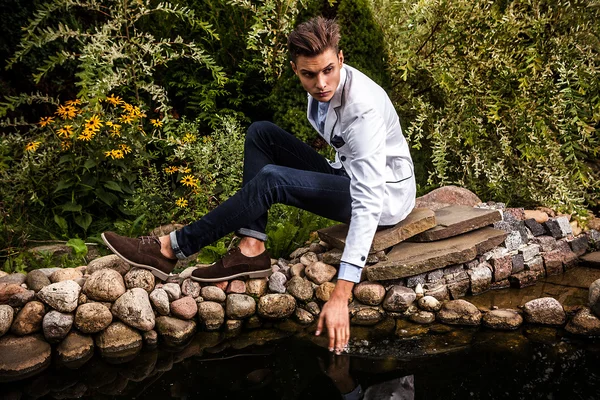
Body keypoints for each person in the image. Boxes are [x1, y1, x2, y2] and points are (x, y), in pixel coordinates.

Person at [101, 16, 416, 355]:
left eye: (328, 70)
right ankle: (251, 249)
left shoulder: (362, 108)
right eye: (309, 74)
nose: (321, 83)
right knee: (261, 133)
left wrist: (342, 294)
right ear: (295, 69)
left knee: (273, 180)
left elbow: (367, 201)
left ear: (341, 60)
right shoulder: (321, 89)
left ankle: (169, 249)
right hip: (348, 174)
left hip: (382, 197)